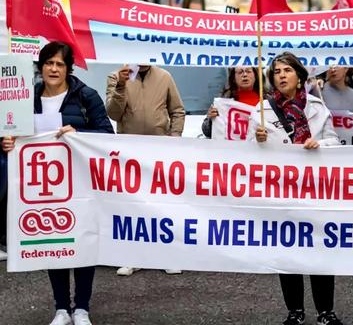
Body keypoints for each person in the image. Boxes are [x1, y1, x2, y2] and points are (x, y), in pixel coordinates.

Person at [2, 42, 114, 325]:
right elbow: (10, 133)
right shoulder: (25, 99)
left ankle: (82, 308)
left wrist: (80, 132)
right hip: (44, 187)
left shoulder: (86, 95)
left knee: (83, 242)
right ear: (41, 66)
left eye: (60, 64)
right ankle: (62, 309)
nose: (53, 69)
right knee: (53, 243)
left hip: (81, 183)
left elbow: (106, 134)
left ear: (68, 68)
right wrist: (6, 142)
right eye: (49, 63)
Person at [253, 52, 344, 325]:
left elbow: (335, 143)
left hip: (316, 190)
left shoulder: (317, 106)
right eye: (277, 71)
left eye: (287, 70)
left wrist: (320, 145)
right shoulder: (261, 110)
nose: (281, 75)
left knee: (319, 250)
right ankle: (295, 311)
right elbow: (247, 157)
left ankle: (325, 312)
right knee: (289, 250)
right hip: (282, 190)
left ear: (300, 76)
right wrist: (258, 141)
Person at [106, 64, 185, 276]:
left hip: (159, 152)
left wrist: (175, 137)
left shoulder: (165, 76)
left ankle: (165, 255)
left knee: (162, 204)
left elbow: (177, 110)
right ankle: (133, 256)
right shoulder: (115, 77)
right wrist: (121, 85)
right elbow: (113, 113)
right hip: (129, 153)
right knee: (132, 205)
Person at [202, 66, 261, 138]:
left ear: (255, 75)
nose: (245, 75)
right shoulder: (223, 101)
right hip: (232, 148)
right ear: (233, 78)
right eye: (240, 72)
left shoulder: (267, 100)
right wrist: (210, 119)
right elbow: (207, 132)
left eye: (248, 71)